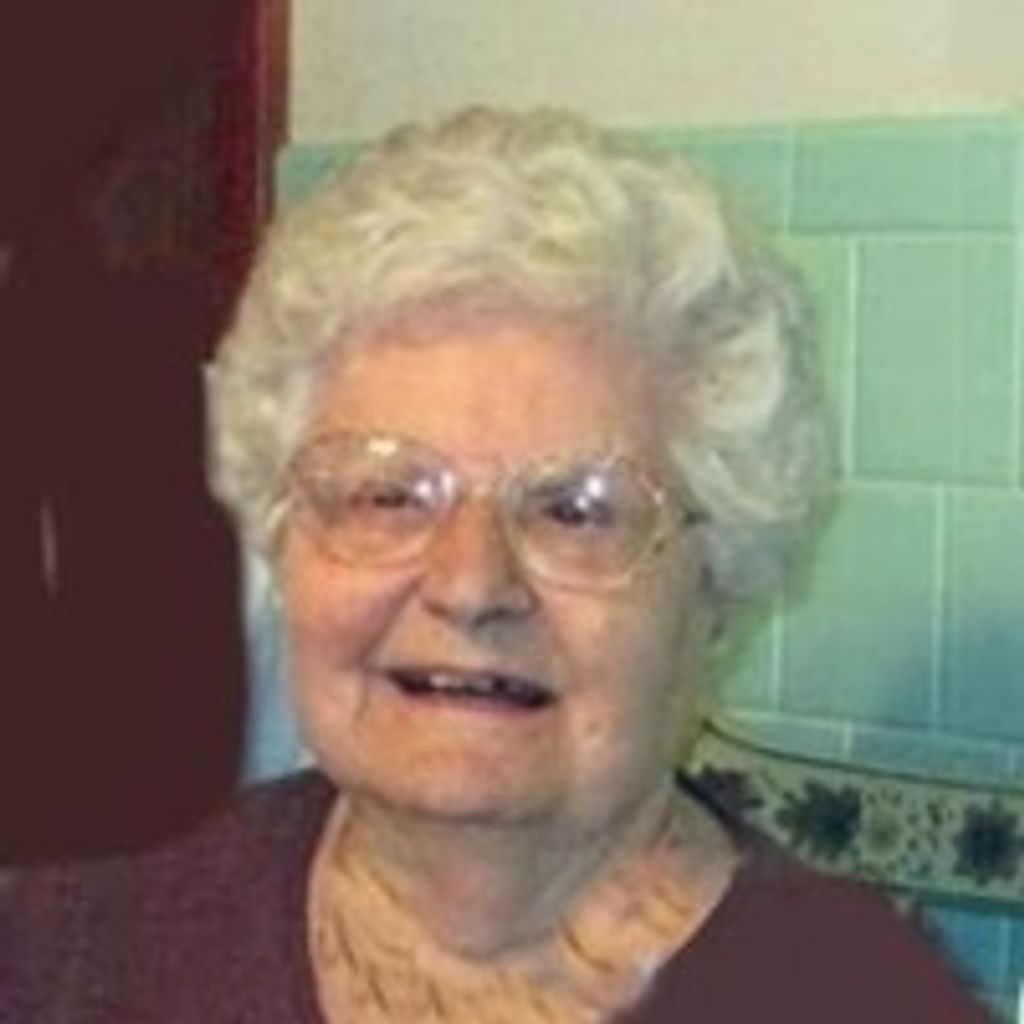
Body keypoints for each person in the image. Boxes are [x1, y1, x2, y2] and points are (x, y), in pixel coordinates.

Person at [1, 107, 989, 1022]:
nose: (469, 584)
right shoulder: (55, 960)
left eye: (575, 511)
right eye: (388, 495)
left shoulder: (866, 1003)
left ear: (718, 583)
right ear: (284, 539)